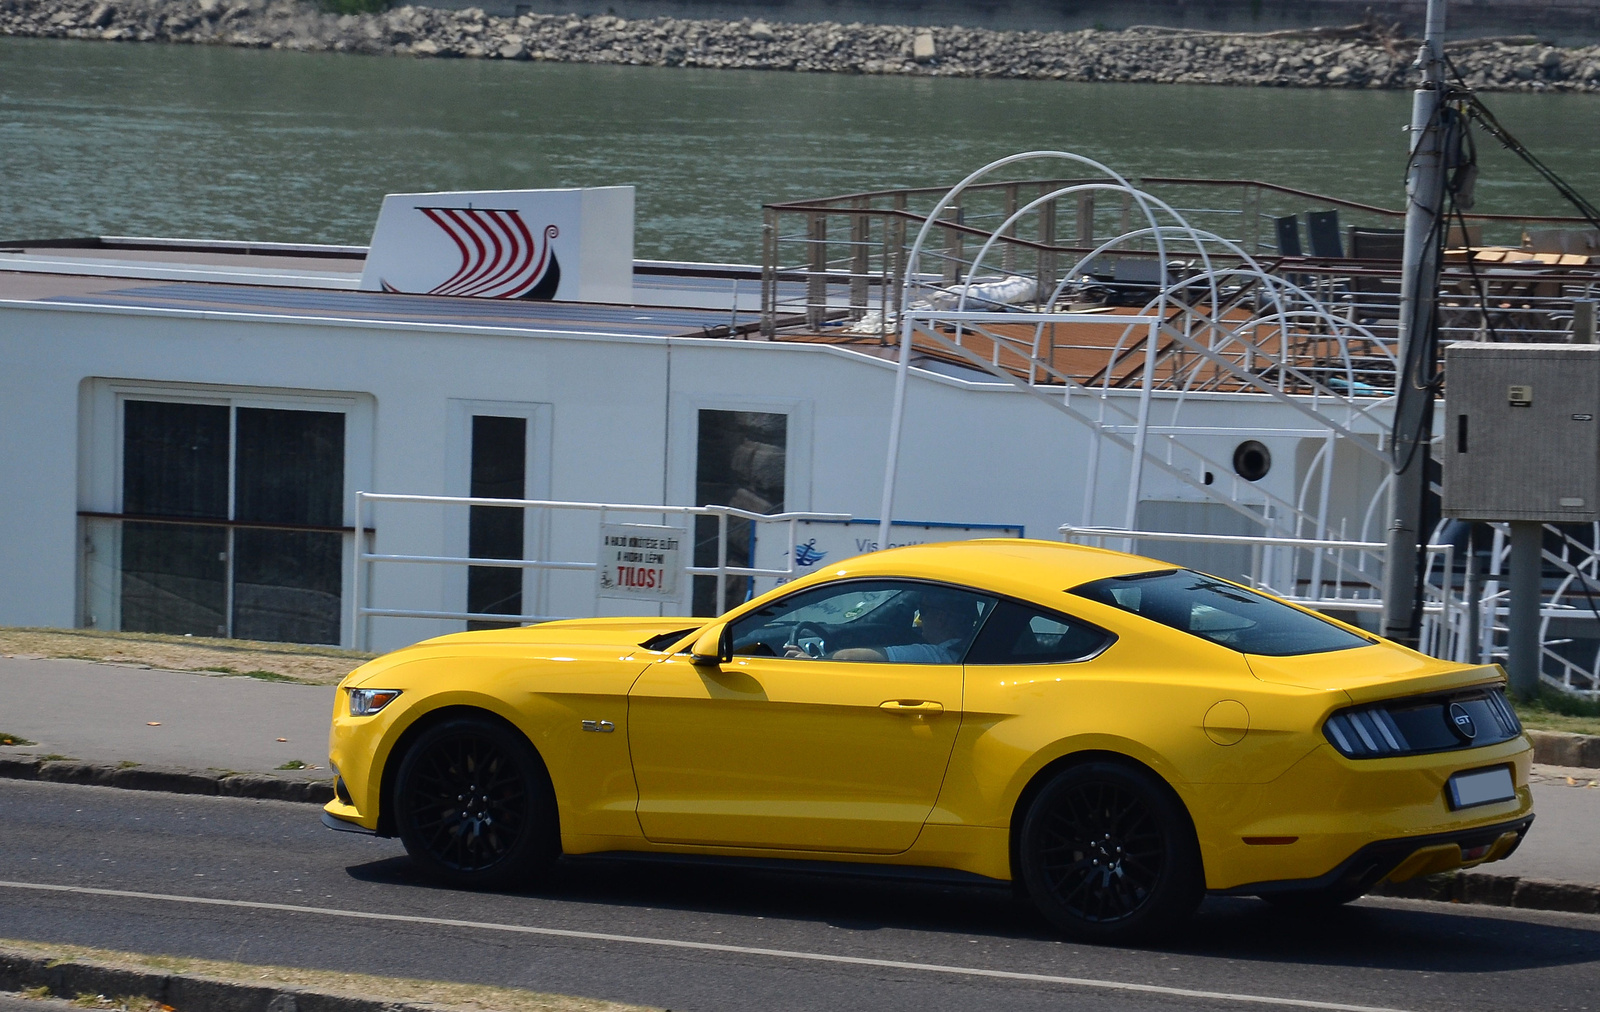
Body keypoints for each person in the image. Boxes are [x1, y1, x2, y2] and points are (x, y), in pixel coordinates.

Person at [789, 590, 981, 663]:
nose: (919, 619)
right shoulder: (966, 654)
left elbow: (850, 657)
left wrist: (814, 660)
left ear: (941, 618)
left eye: (922, 611)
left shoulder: (937, 656)